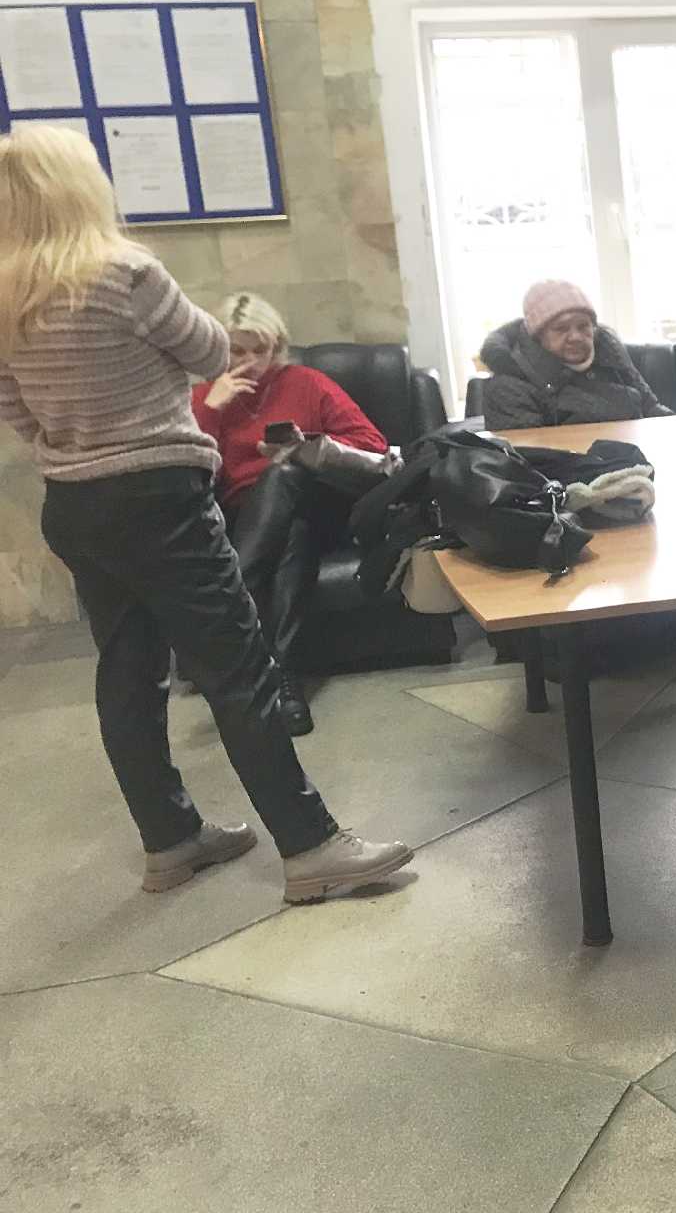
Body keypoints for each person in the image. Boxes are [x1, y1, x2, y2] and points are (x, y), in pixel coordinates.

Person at [0, 125, 412, 903]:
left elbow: (13, 405)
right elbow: (211, 352)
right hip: (158, 496)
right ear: (81, 189)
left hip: (74, 502)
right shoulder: (124, 272)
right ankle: (311, 847)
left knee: (127, 671)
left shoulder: (6, 291)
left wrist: (73, 442)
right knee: (238, 668)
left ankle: (171, 840)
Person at [191, 292, 389, 732]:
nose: (249, 361)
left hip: (321, 503)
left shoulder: (306, 383)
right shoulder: (204, 397)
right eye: (236, 350)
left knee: (283, 475)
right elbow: (186, 475)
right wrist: (209, 410)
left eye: (259, 349)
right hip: (245, 517)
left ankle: (235, 592)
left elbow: (372, 446)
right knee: (291, 535)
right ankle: (283, 680)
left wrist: (307, 448)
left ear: (276, 347)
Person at [480, 280, 672, 431]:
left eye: (583, 326)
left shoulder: (611, 354)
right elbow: (529, 456)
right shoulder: (508, 386)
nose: (576, 337)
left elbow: (651, 407)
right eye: (561, 328)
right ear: (538, 336)